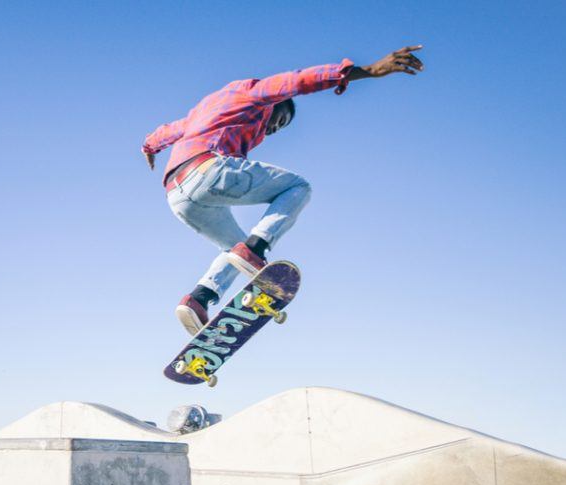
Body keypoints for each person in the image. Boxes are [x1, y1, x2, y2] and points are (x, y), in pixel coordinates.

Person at [142, 45, 424, 335]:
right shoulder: (253, 92)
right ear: (274, 104)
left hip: (177, 194)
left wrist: (149, 146)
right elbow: (296, 81)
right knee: (298, 187)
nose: (275, 128)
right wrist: (370, 71)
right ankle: (256, 248)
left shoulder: (204, 110)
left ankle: (199, 299)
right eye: (280, 120)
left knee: (231, 250)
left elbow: (172, 129)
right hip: (208, 169)